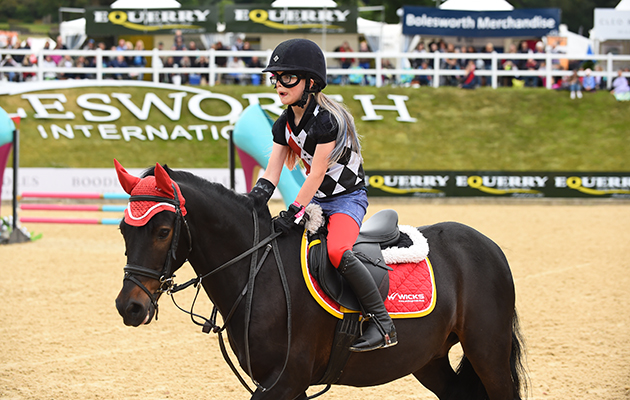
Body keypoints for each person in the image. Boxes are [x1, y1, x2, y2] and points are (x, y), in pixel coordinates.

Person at [249, 38, 397, 353]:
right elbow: (272, 172)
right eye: (275, 77)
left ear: (311, 81)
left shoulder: (326, 121)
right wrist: (253, 202)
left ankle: (382, 323)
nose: (278, 84)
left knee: (337, 251)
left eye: (287, 77)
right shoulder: (283, 123)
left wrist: (294, 210)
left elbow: (316, 174)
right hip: (317, 200)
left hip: (346, 198)